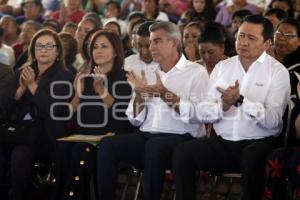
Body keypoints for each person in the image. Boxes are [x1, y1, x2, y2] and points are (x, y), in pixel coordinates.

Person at [172, 15, 290, 200]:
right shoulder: (222, 67)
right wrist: (223, 105)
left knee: (252, 157)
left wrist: (241, 101)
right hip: (223, 144)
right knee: (182, 152)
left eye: (251, 38)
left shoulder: (277, 72)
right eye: (240, 36)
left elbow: (274, 120)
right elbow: (205, 112)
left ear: (267, 43)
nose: (243, 42)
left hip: (259, 143)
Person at [96, 21, 209, 200]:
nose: (150, 47)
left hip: (182, 138)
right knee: (107, 145)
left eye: (156, 41)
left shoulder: (196, 72)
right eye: (150, 42)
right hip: (147, 136)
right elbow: (135, 120)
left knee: (154, 147)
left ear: (174, 42)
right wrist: (140, 96)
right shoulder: (147, 72)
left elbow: (200, 115)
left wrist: (165, 94)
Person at [52, 30, 133, 200]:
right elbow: (70, 115)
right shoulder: (85, 77)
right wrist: (77, 93)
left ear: (116, 51)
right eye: (95, 47)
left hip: (111, 138)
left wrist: (102, 90)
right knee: (62, 147)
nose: (98, 50)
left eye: (104, 46)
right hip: (84, 135)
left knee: (82, 151)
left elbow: (123, 116)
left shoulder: (124, 78)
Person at [0, 29, 74, 200]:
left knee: (20, 154)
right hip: (18, 132)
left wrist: (33, 86)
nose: (44, 49)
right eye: (39, 45)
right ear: (33, 50)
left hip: (45, 136)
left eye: (49, 46)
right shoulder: (22, 71)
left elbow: (54, 110)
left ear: (57, 51)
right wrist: (21, 90)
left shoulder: (64, 76)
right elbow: (4, 105)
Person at [272, 18, 300, 100]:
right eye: (279, 33)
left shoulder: (297, 69)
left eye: (289, 36)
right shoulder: (263, 55)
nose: (282, 38)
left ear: (299, 41)